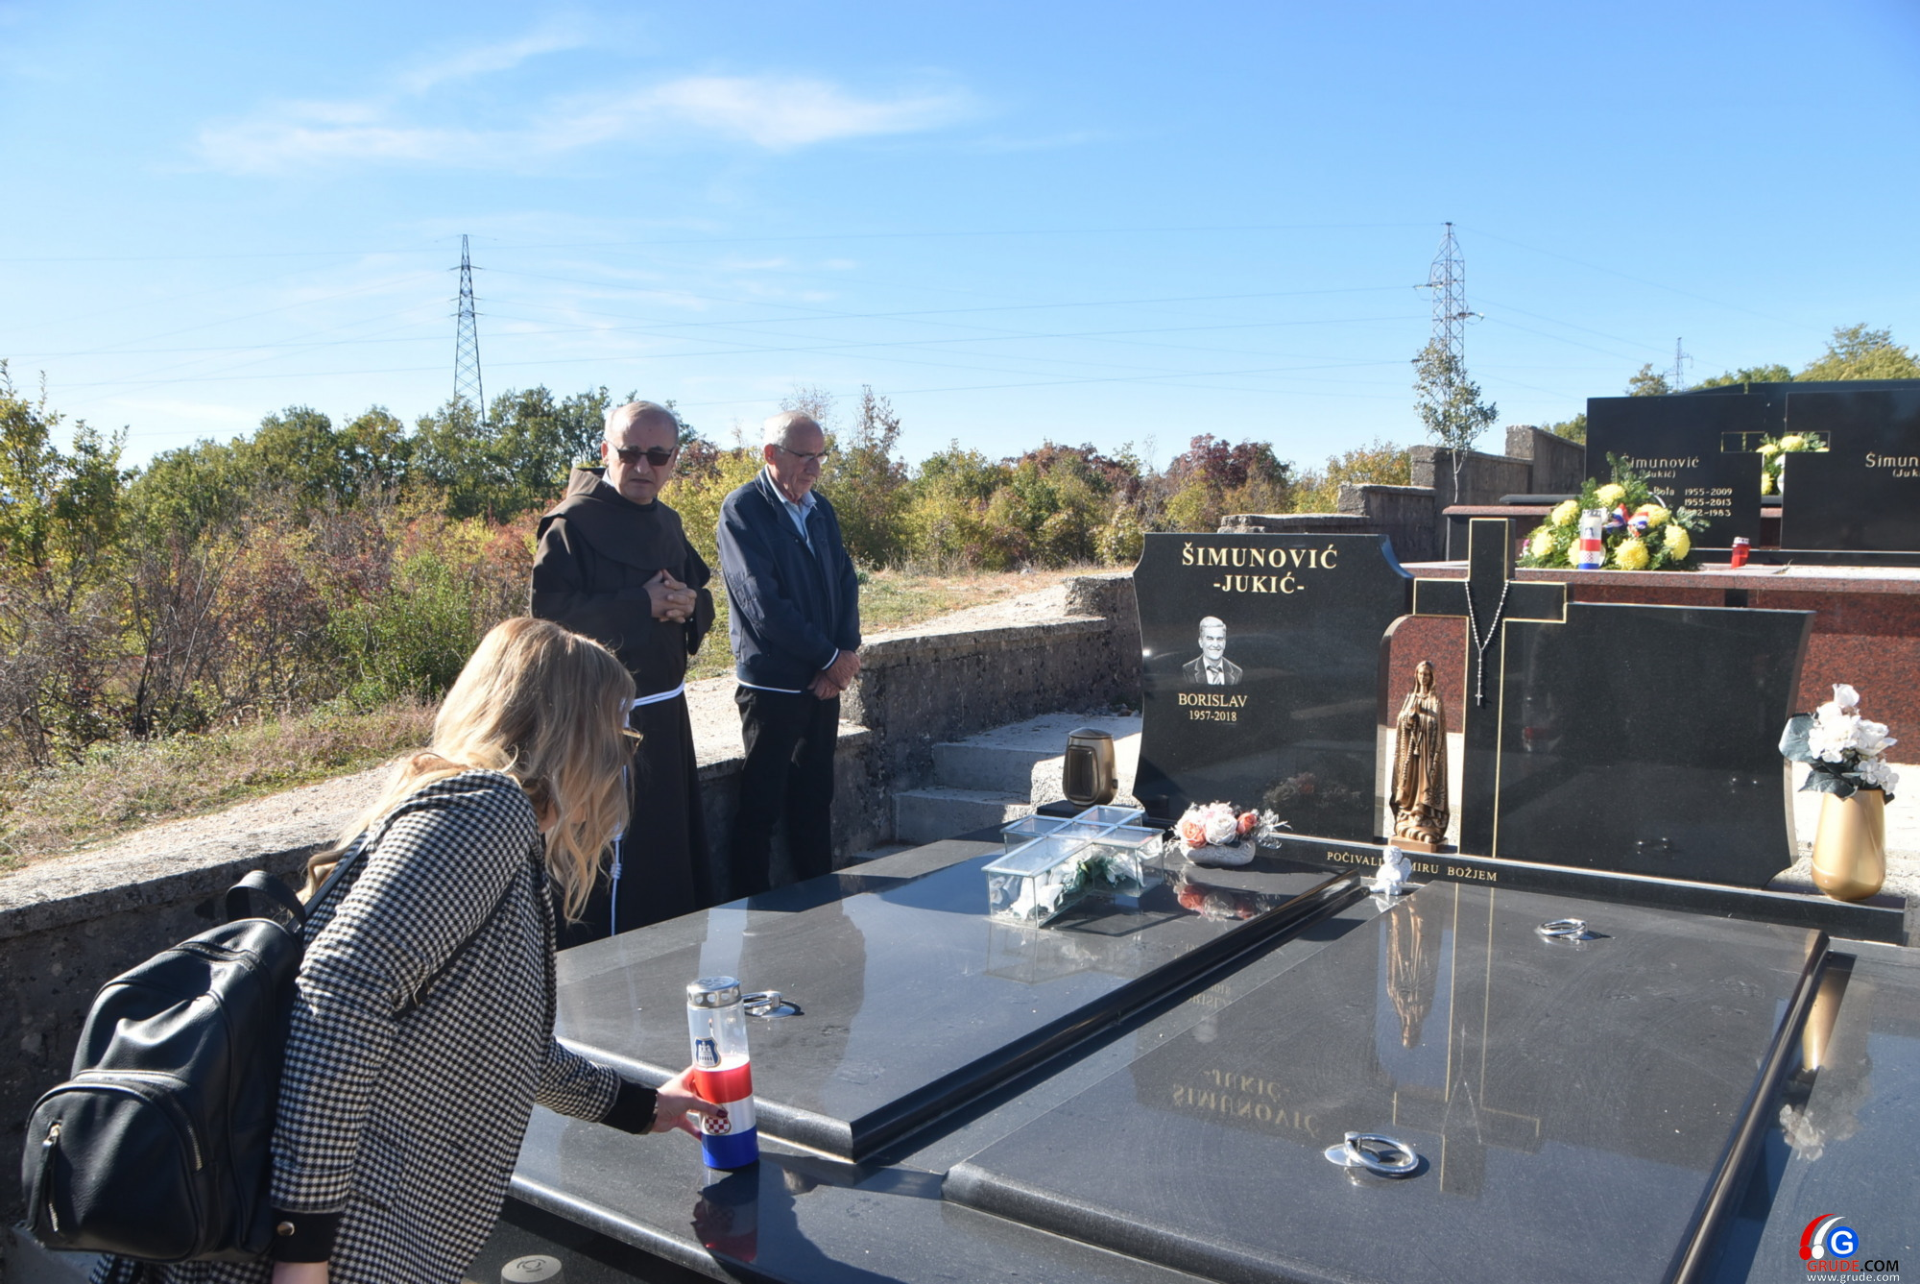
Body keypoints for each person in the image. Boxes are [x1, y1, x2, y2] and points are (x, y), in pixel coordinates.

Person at [94, 618, 714, 1284]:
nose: (622, 760)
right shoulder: (485, 811)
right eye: (617, 734)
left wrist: (643, 1107)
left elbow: (506, 1050)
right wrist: (303, 1247)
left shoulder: (473, 827)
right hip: (337, 1243)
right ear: (567, 732)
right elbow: (340, 995)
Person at [530, 401, 716, 942]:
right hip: (599, 721)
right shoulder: (572, 524)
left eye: (657, 456)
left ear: (674, 460)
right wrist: (641, 604)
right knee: (610, 855)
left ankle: (669, 953)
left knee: (663, 848)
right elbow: (548, 621)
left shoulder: (668, 522)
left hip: (666, 714)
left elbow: (697, 593)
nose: (642, 466)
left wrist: (689, 606)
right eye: (630, 452)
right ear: (606, 450)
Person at [716, 411, 861, 898]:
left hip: (823, 680)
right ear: (771, 454)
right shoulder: (743, 510)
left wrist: (844, 653)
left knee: (815, 798)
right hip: (773, 684)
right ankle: (758, 914)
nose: (815, 468)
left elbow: (845, 581)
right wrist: (827, 658)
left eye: (821, 456)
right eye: (804, 456)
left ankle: (820, 901)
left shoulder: (821, 510)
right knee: (761, 806)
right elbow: (762, 603)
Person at [1390, 659, 1449, 847]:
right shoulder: (1411, 697)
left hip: (1427, 751)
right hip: (1411, 750)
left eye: (1427, 674)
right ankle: (1408, 814)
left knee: (1426, 782)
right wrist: (1409, 717)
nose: (1423, 677)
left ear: (1432, 677)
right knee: (1409, 781)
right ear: (1416, 675)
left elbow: (1437, 725)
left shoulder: (1435, 700)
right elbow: (1401, 720)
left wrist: (1422, 718)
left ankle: (1423, 814)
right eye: (1421, 674)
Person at [1181, 616, 1243, 686]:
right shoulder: (1188, 671)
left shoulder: (1237, 672)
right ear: (1201, 642)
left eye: (1219, 639)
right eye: (1210, 639)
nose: (1215, 645)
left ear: (1224, 643)